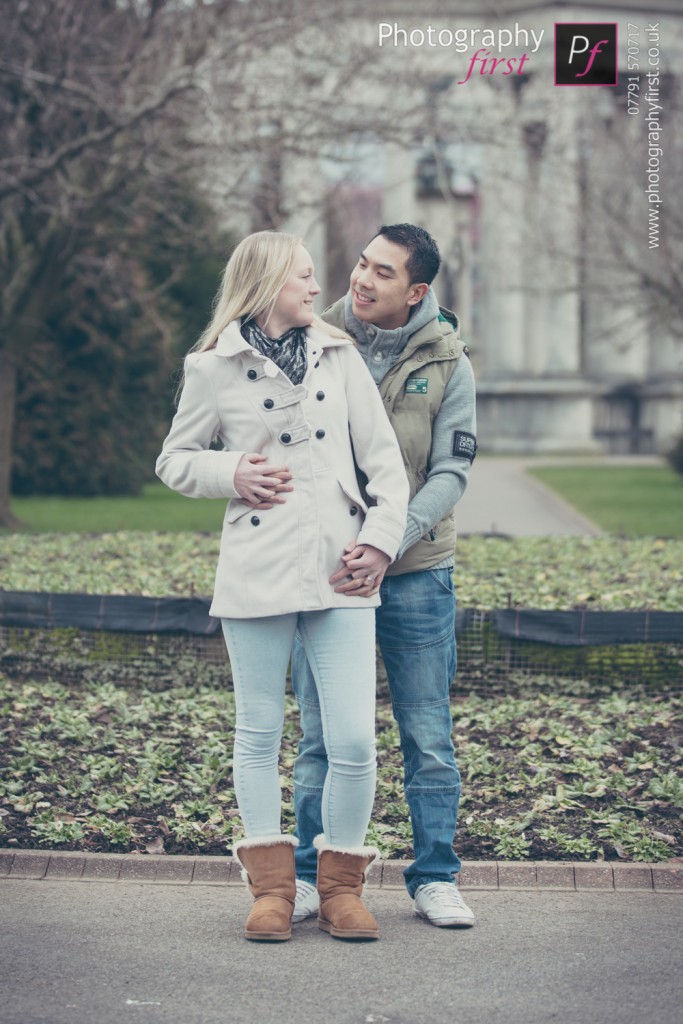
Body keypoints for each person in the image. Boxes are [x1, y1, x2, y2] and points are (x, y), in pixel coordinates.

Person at [156, 231, 409, 943]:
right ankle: (271, 892)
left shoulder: (341, 356)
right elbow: (174, 460)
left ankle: (341, 892)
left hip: (342, 566)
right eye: (301, 274)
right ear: (266, 283)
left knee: (355, 737)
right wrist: (229, 471)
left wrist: (382, 541)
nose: (314, 283)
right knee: (259, 731)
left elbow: (385, 468)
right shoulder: (211, 367)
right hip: (258, 567)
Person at [291, 223, 477, 928]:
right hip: (328, 573)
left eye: (382, 273)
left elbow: (451, 470)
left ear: (417, 291)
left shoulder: (449, 361)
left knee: (426, 734)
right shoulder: (311, 341)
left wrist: (384, 542)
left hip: (414, 573)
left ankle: (433, 876)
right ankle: (310, 875)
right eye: (361, 264)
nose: (361, 280)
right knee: (320, 734)